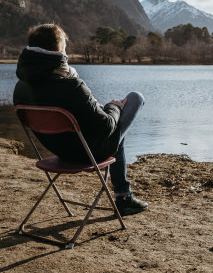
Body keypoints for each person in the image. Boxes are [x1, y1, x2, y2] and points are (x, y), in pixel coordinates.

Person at [13, 23, 148, 216]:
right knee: (135, 99)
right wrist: (114, 107)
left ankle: (124, 195)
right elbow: (106, 127)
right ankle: (124, 197)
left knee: (116, 130)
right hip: (87, 153)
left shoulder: (20, 87)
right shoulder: (71, 85)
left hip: (59, 151)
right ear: (59, 50)